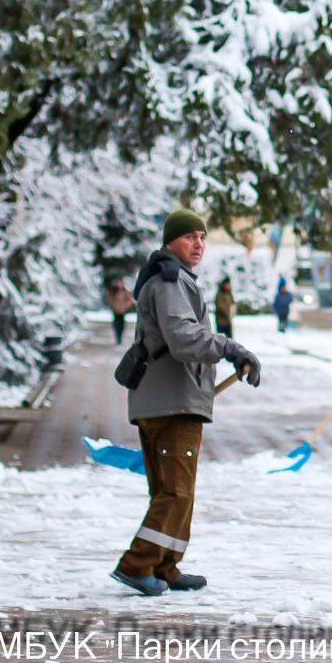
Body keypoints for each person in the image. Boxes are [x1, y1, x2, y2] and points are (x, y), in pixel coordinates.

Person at [110, 209, 262, 597]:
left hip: (168, 399)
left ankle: (165, 566)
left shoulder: (170, 277)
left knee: (174, 490)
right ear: (170, 241)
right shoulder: (169, 279)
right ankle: (136, 564)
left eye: (202, 237)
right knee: (176, 492)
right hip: (170, 403)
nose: (198, 244)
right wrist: (230, 346)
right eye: (189, 237)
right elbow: (183, 338)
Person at [107, 279, 134, 345]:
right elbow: (110, 298)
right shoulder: (113, 291)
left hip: (122, 311)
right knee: (116, 324)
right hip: (115, 310)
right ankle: (117, 337)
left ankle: (120, 338)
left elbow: (130, 299)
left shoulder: (125, 292)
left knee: (121, 324)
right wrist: (113, 306)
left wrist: (125, 307)